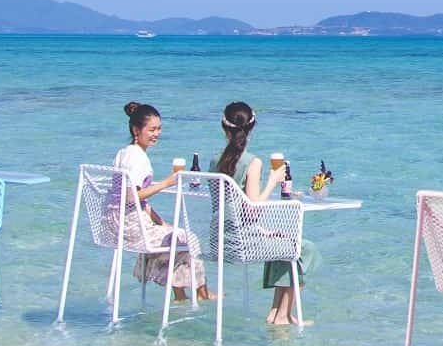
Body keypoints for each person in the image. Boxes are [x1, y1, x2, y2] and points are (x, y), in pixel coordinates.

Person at [214, 100, 320, 326]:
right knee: (303, 248)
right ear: (252, 128)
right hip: (242, 242)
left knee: (283, 240)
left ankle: (277, 313)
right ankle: (282, 315)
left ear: (224, 128)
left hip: (218, 239)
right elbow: (253, 208)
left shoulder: (215, 161)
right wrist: (272, 181)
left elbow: (230, 207)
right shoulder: (252, 162)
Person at [112, 100, 213, 304]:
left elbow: (135, 201)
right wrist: (166, 183)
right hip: (132, 228)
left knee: (174, 232)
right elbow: (131, 197)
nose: (157, 134)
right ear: (136, 130)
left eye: (159, 129)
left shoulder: (123, 153)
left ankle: (181, 296)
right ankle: (201, 294)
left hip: (116, 222)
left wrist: (159, 221)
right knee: (188, 238)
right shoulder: (138, 158)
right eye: (151, 129)